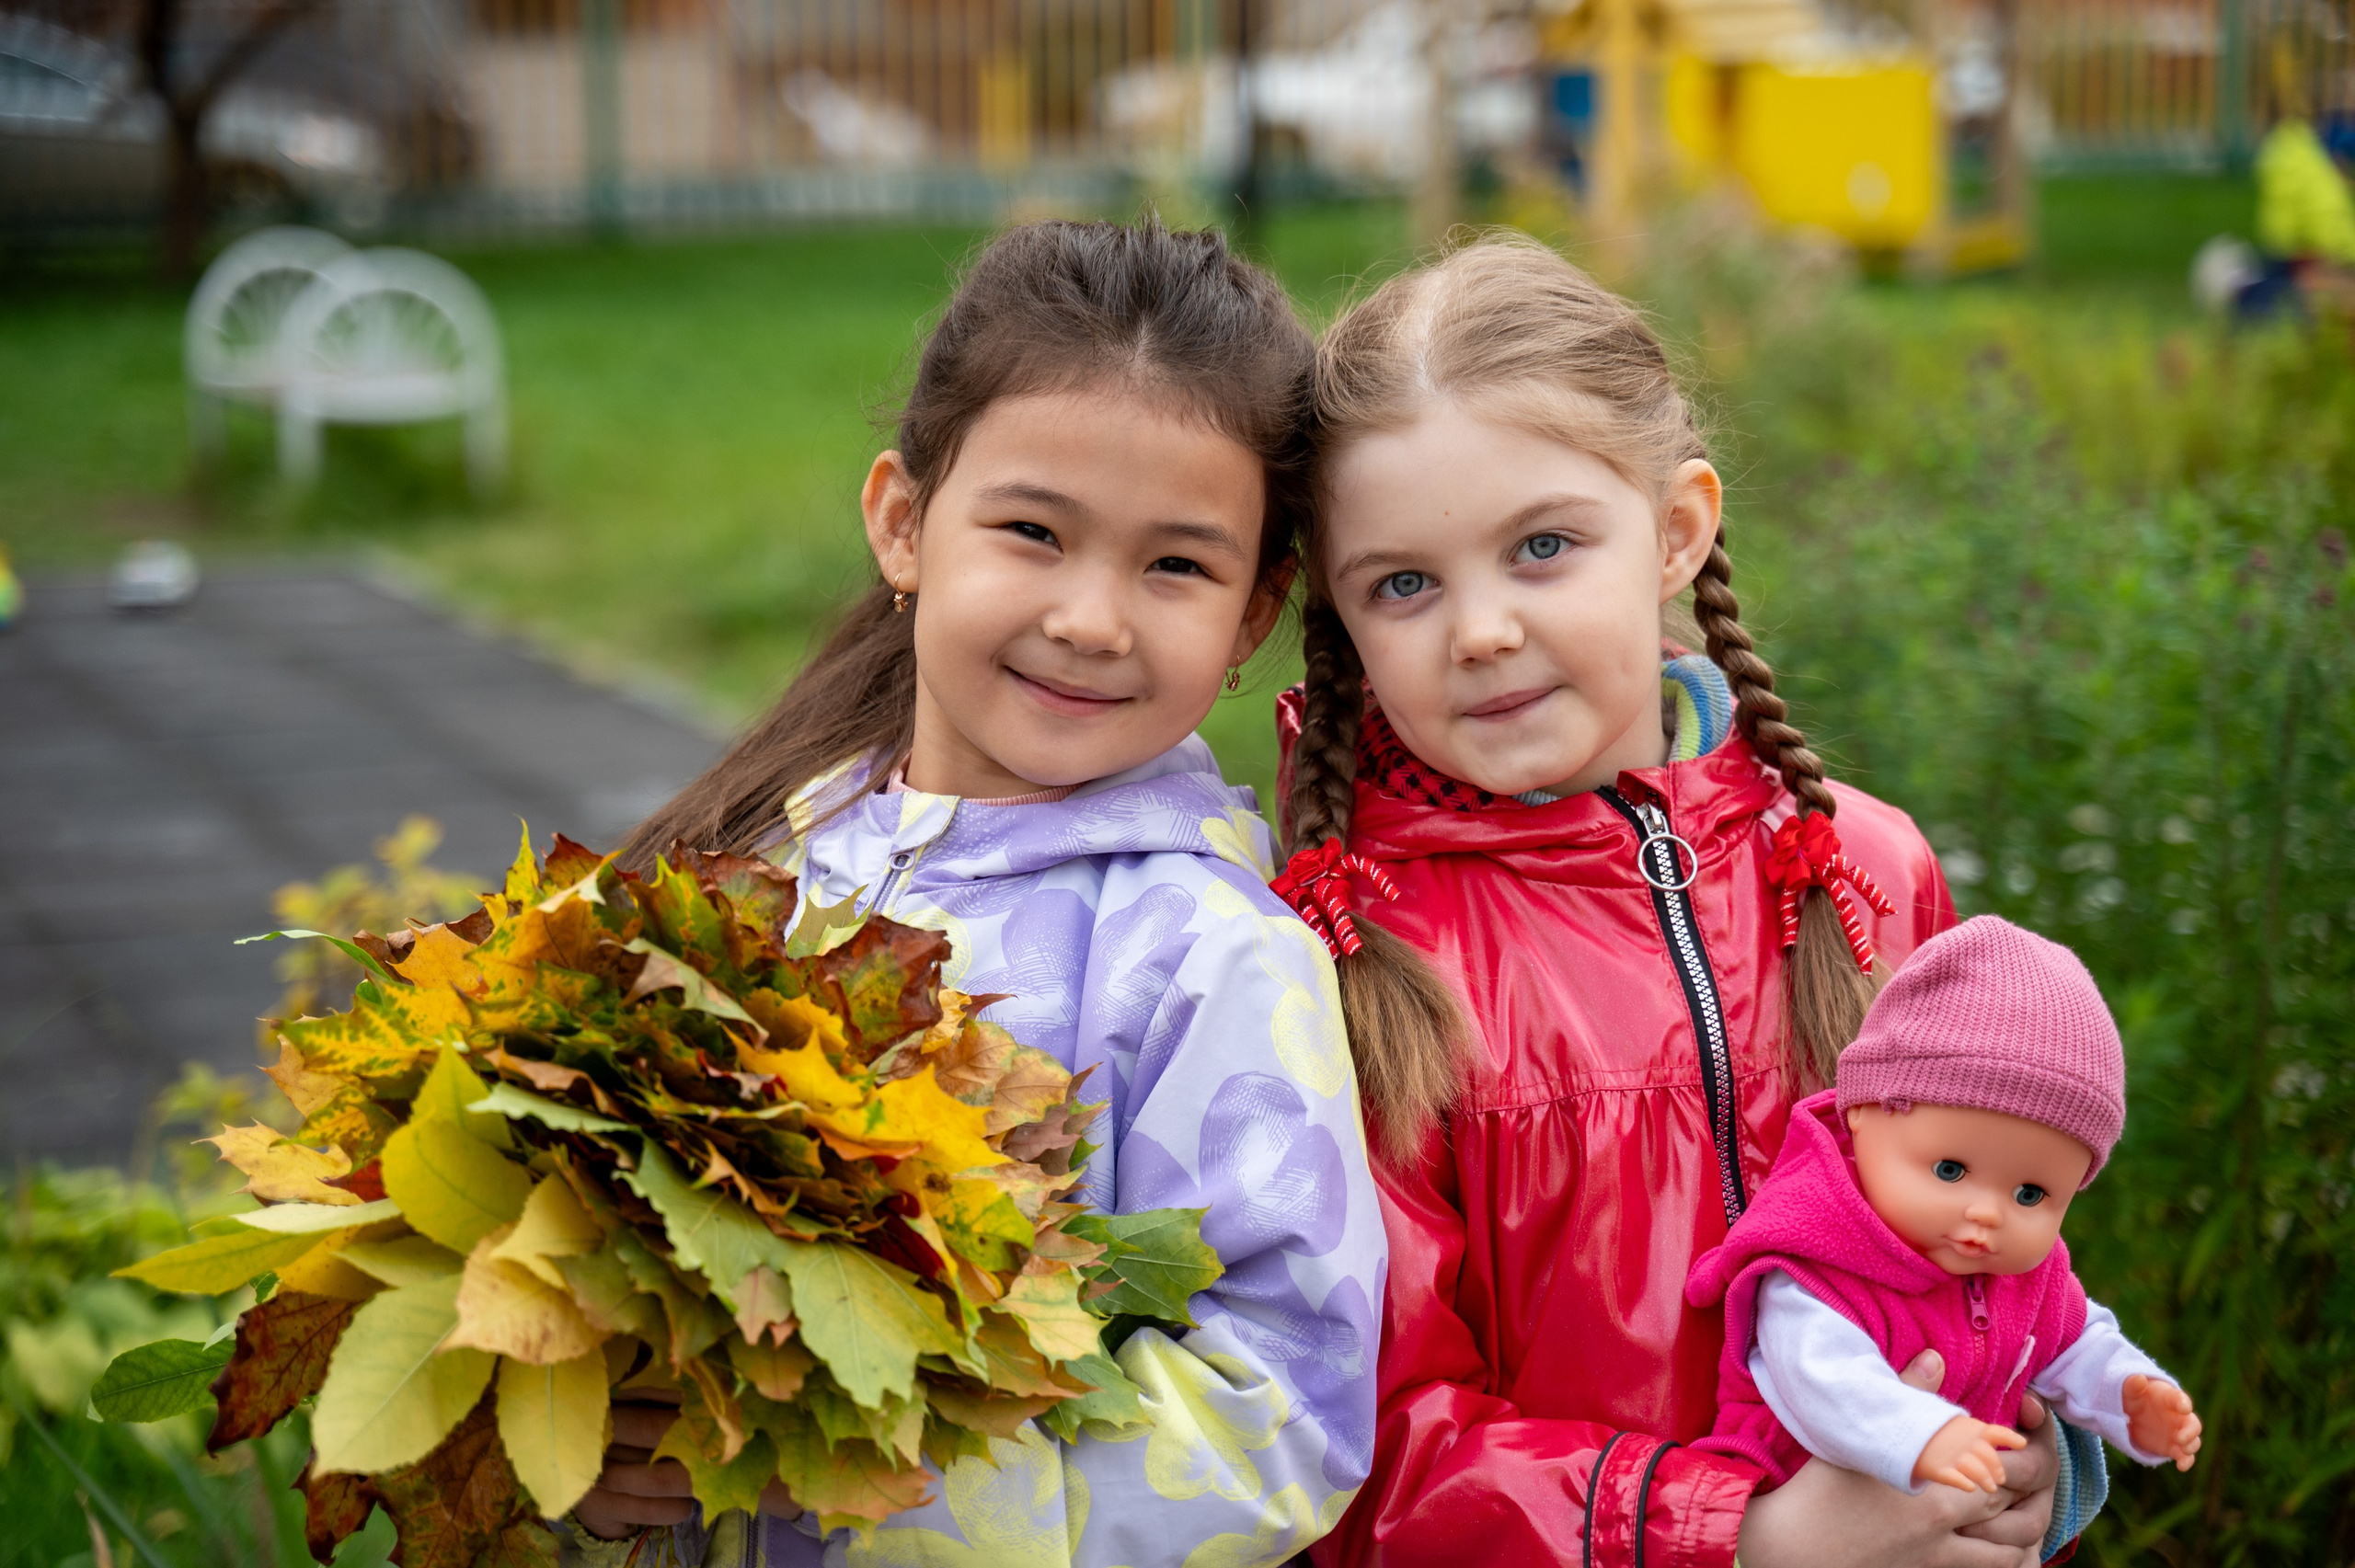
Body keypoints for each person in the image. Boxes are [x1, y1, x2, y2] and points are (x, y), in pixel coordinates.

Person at [1269, 236, 2102, 1567]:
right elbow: (1368, 1451)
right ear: (1339, 613)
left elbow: (1996, 1235)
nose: (1480, 630)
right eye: (1404, 583)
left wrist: (2034, 1456)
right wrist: (1744, 1538)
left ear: (1676, 530)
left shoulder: (1864, 873)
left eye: (1542, 546)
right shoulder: (1349, 956)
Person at [568, 218, 1384, 1567]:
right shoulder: (762, 868)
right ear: (904, 524)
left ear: (1253, 611)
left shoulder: (1208, 954)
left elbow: (1282, 1404)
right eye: (1034, 532)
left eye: (1176, 565)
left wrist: (885, 1478)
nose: (1090, 619)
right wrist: (581, 1433)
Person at [1688, 916, 2200, 1497]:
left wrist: (2128, 1397)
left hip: (1952, 1513)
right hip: (1786, 1502)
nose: (1987, 1214)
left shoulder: (2025, 1279)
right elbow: (1822, 1376)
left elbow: (2078, 1343)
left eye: (2030, 1195)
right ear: (1862, 1112)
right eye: (1950, 1170)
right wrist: (1924, 1434)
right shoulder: (1819, 1259)